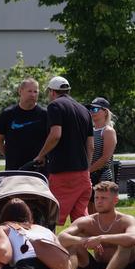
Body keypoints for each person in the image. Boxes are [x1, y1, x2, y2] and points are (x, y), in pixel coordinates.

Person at [58, 181, 135, 269]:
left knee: (125, 243)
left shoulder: (126, 220)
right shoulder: (86, 222)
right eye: (96, 197)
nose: (99, 201)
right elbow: (61, 238)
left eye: (104, 198)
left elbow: (134, 238)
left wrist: (101, 238)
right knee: (72, 243)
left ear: (115, 201)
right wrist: (85, 240)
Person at [33, 76, 94, 226]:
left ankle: (46, 249)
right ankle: (95, 248)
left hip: (62, 173)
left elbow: (56, 135)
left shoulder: (55, 106)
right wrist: (86, 169)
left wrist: (41, 155)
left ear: (52, 92)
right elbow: (91, 146)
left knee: (50, 218)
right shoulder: (84, 110)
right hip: (83, 175)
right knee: (80, 222)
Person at [0, 78, 48, 170]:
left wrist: (44, 155)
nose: (33, 94)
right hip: (14, 169)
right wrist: (10, 156)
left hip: (38, 168)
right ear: (20, 91)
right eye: (29, 91)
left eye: (35, 92)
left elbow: (52, 140)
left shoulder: (45, 114)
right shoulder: (7, 114)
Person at [86, 97, 117, 213]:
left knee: (102, 210)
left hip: (102, 175)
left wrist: (88, 170)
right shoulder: (91, 130)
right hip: (90, 175)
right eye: (90, 109)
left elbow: (105, 158)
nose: (91, 112)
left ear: (105, 111)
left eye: (95, 109)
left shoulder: (108, 131)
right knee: (90, 211)